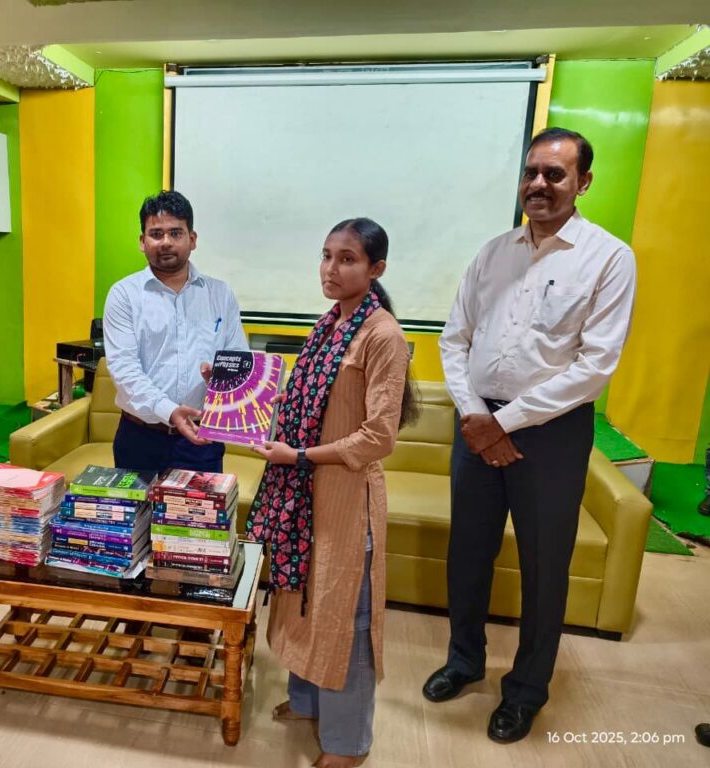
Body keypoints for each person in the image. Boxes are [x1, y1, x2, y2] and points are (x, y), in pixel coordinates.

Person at [424, 127, 637, 742]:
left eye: (555, 174)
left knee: (545, 566)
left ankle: (525, 690)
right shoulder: (493, 253)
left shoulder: (609, 258)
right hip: (476, 424)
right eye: (531, 172)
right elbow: (454, 339)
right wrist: (476, 416)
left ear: (583, 182)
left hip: (550, 435)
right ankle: (464, 659)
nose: (539, 184)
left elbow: (595, 366)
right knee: (469, 552)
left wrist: (505, 422)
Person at [249, 218, 416, 768]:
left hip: (345, 501)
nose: (331, 268)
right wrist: (255, 394)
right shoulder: (329, 324)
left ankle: (347, 745)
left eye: (347, 259)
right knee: (303, 602)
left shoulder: (383, 335)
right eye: (326, 255)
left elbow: (378, 437)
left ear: (376, 269)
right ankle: (308, 703)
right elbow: (311, 402)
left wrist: (298, 457)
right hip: (304, 497)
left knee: (345, 616)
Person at [103, 190, 248, 475]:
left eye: (176, 233)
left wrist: (222, 377)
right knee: (138, 507)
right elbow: (124, 369)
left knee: (200, 507)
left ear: (192, 239)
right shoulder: (124, 295)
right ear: (142, 242)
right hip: (140, 438)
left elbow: (238, 358)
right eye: (156, 234)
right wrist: (169, 411)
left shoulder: (220, 294)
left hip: (201, 438)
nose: (166, 242)